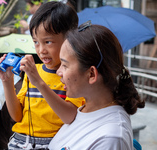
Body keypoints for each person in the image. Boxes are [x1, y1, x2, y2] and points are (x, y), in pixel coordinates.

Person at [0, 1, 84, 149]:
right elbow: (17, 116)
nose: (41, 50)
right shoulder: (34, 71)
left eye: (48, 42)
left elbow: (69, 117)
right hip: (20, 141)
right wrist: (7, 81)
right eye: (36, 42)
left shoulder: (74, 75)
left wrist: (39, 82)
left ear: (69, 40)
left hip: (55, 143)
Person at [48, 21, 145, 150]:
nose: (58, 72)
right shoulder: (87, 110)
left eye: (65, 65)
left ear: (92, 74)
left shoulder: (111, 137)